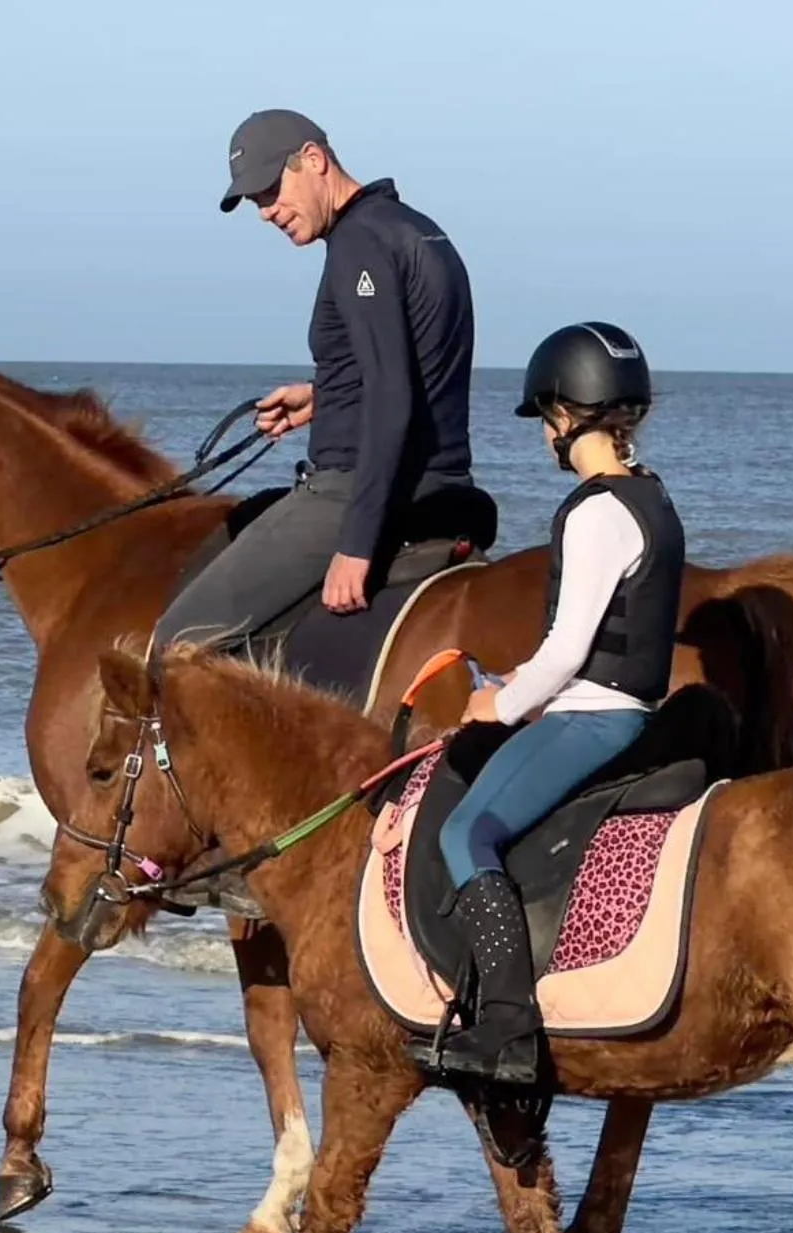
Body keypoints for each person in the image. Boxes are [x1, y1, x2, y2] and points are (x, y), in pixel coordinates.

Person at [415, 322, 686, 1088]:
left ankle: (507, 1031)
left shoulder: (596, 509)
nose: (544, 434)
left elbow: (569, 651)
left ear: (570, 414)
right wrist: (520, 684)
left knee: (469, 833)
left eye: (545, 418)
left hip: (594, 716)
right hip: (614, 704)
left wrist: (499, 705)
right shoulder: (651, 494)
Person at [154, 110, 487, 647]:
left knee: (176, 638)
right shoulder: (417, 230)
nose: (266, 213)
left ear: (314, 160)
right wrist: (326, 398)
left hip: (355, 489)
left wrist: (356, 546)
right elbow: (415, 364)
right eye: (256, 202)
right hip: (446, 479)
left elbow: (391, 396)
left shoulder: (360, 242)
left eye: (270, 191)